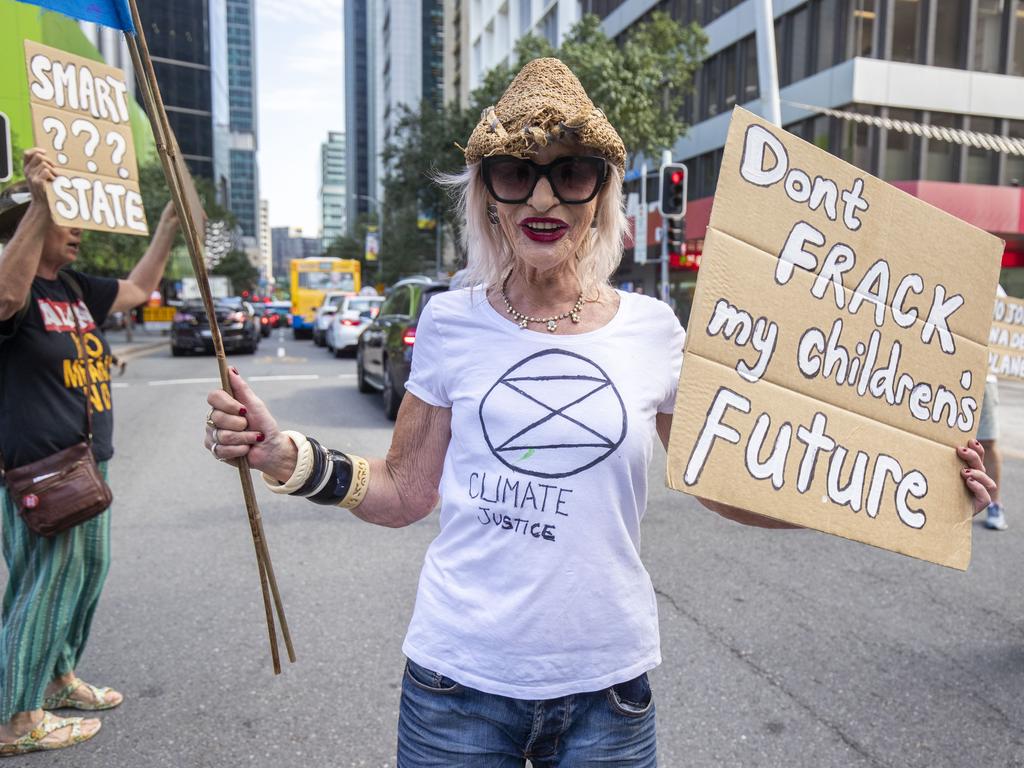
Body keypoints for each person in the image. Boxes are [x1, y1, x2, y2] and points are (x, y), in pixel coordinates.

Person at [203, 59, 996, 766]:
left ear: (601, 195)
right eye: (516, 171)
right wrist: (286, 458)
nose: (544, 195)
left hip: (607, 696)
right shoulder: (450, 320)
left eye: (572, 172)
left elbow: (721, 482)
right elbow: (408, 490)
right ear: (488, 197)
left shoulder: (653, 330)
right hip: (457, 688)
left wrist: (887, 488)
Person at [0, 149, 179, 756]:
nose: (77, 227)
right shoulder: (14, 290)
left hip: (86, 464)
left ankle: (55, 678)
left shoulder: (74, 285)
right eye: (64, 215)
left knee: (85, 577)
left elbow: (141, 288)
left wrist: (166, 230)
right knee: (43, 586)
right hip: (40, 471)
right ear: (30, 221)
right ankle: (15, 719)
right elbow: (3, 298)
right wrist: (38, 202)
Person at [978, 286, 1007, 530]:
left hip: (985, 378)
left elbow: (1008, 329)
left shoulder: (995, 287)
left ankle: (994, 504)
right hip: (948, 371)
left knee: (987, 442)